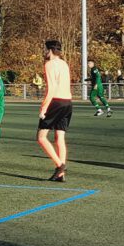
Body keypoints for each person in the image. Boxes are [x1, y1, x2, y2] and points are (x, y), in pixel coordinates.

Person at [37, 40, 73, 182]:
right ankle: (60, 174)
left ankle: (60, 166)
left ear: (50, 50)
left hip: (56, 102)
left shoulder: (49, 64)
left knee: (41, 137)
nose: (44, 52)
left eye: (45, 49)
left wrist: (43, 108)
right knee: (60, 138)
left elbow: (51, 88)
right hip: (67, 102)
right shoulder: (64, 64)